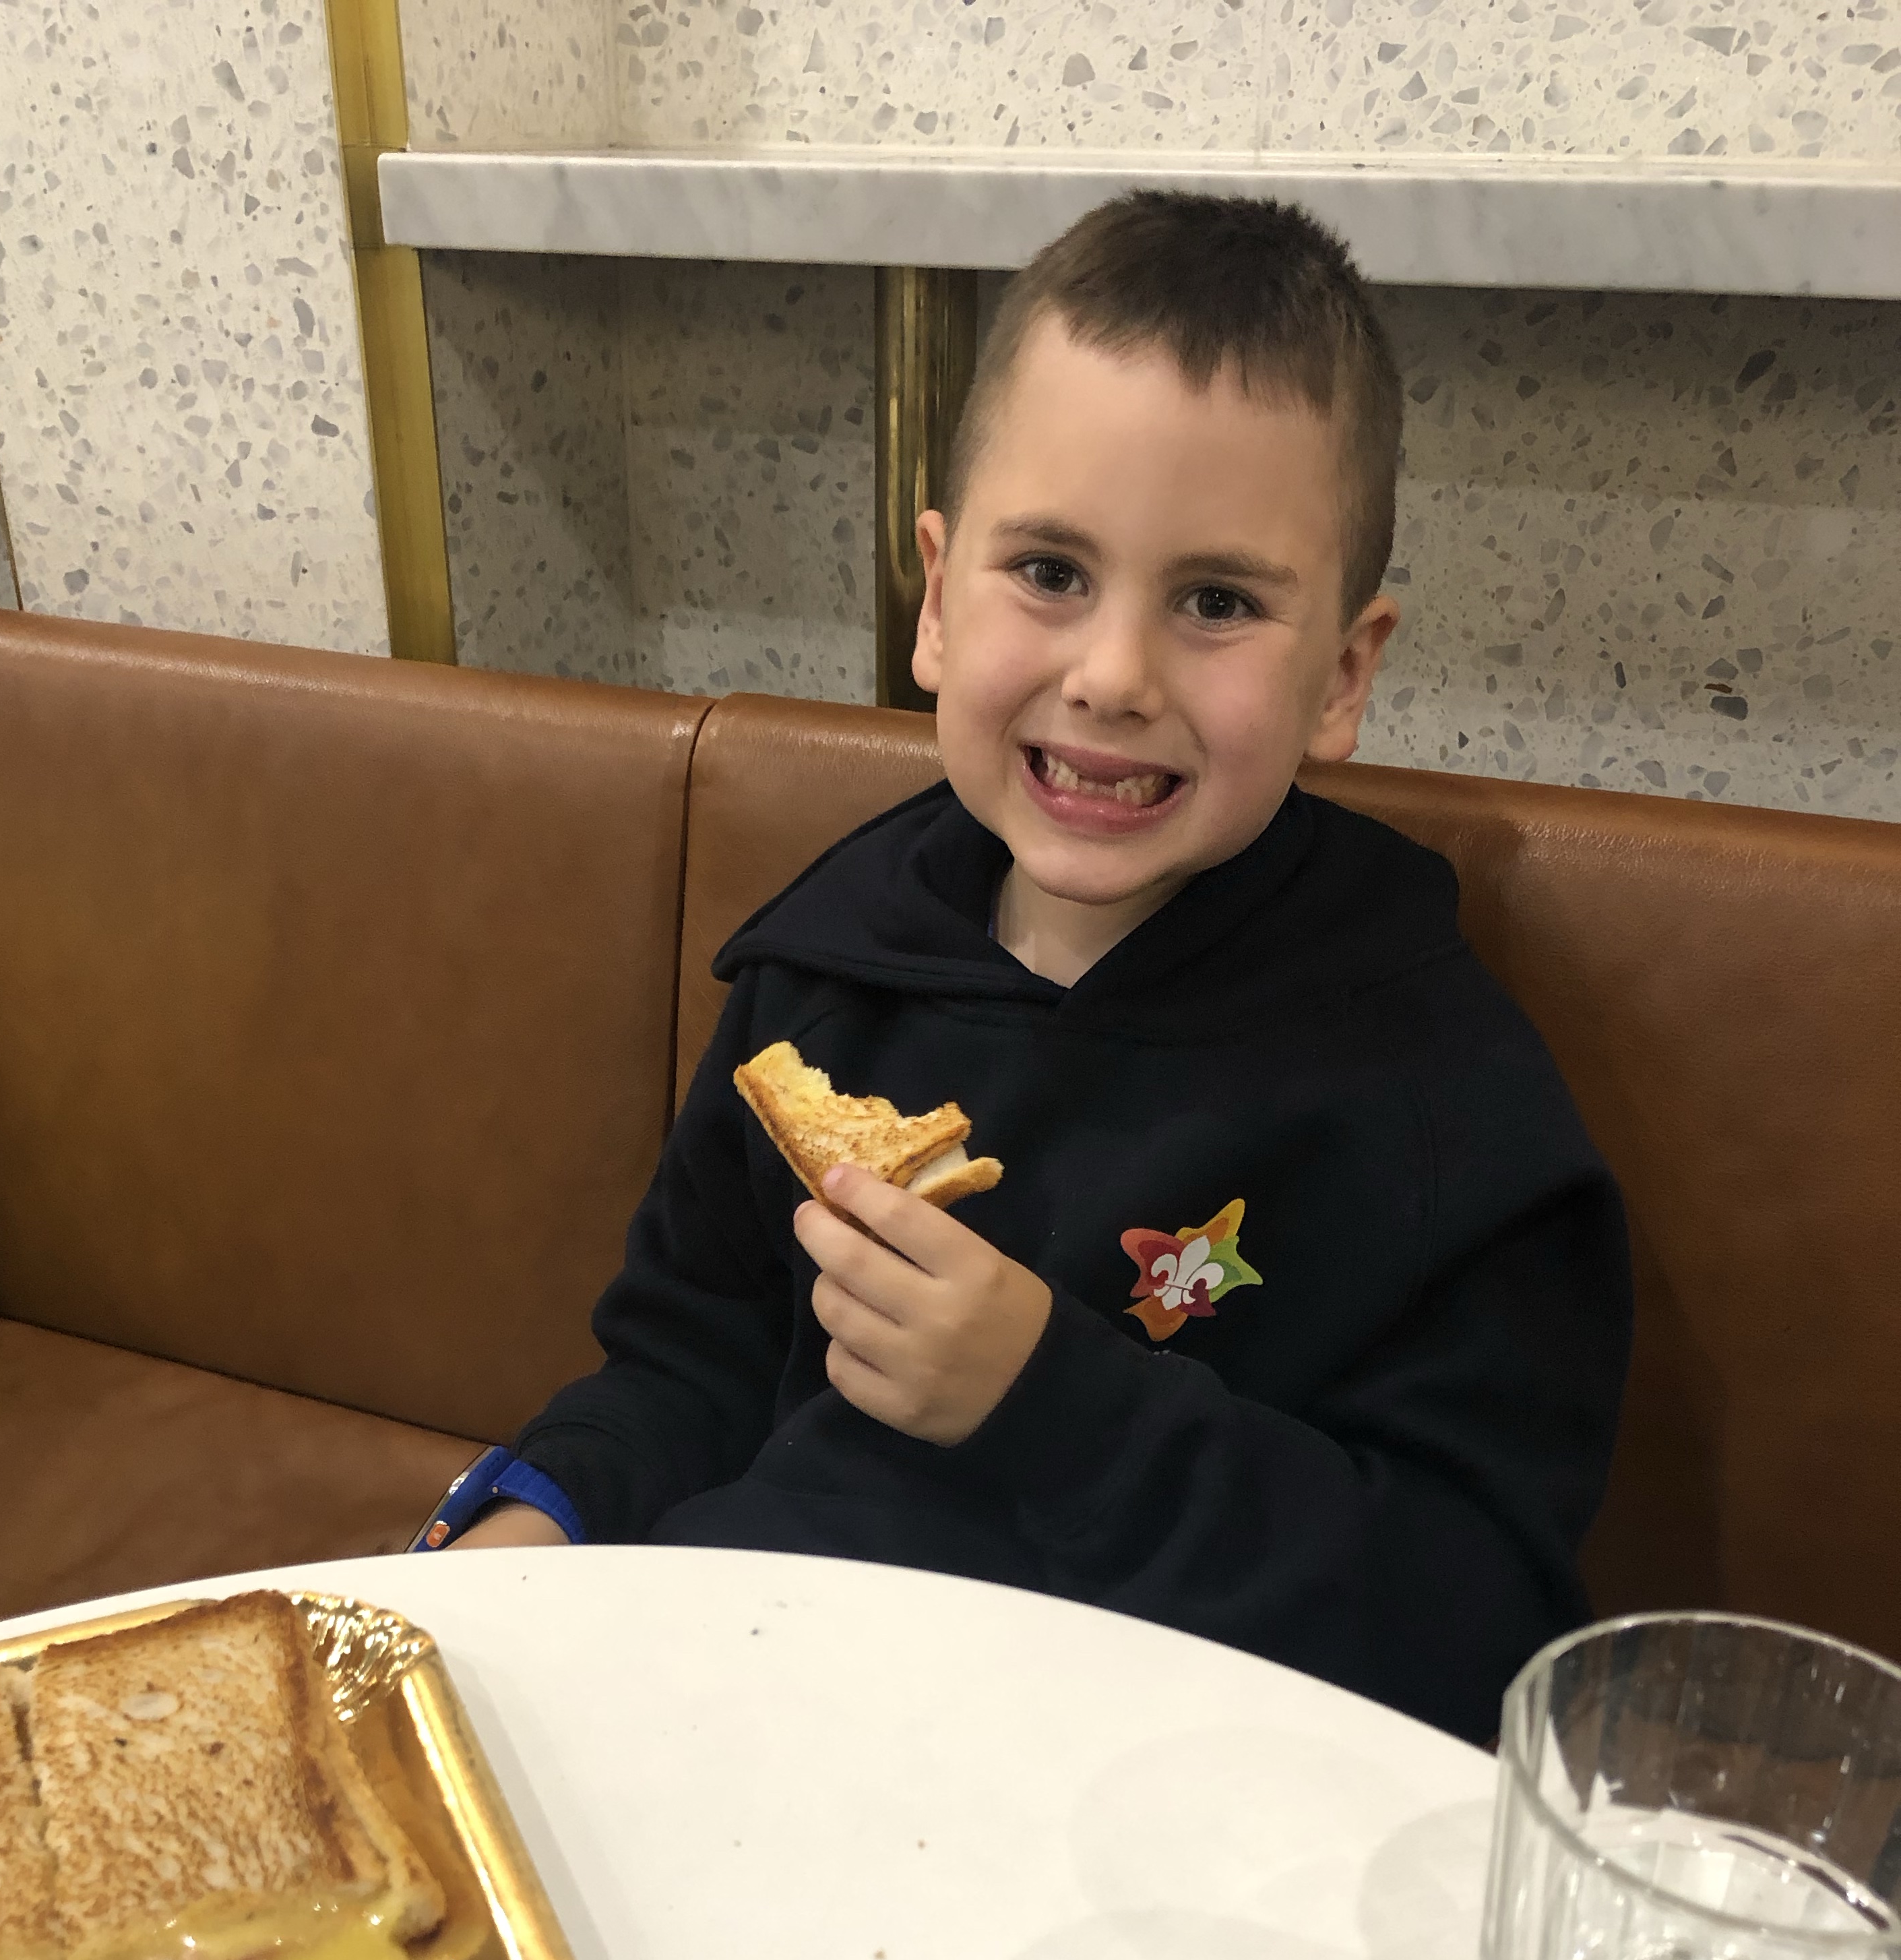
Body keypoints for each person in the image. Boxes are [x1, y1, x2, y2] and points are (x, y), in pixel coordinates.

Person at [420, 190, 1630, 1746]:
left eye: (1217, 603)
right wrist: (544, 1517)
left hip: (1165, 1796)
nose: (1112, 675)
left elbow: (1475, 1632)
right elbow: (690, 1364)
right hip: (762, 1704)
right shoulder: (821, 983)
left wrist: (1050, 1402)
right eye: (1051, 572)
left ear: (1343, 674)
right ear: (936, 598)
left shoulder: (1443, 1109)